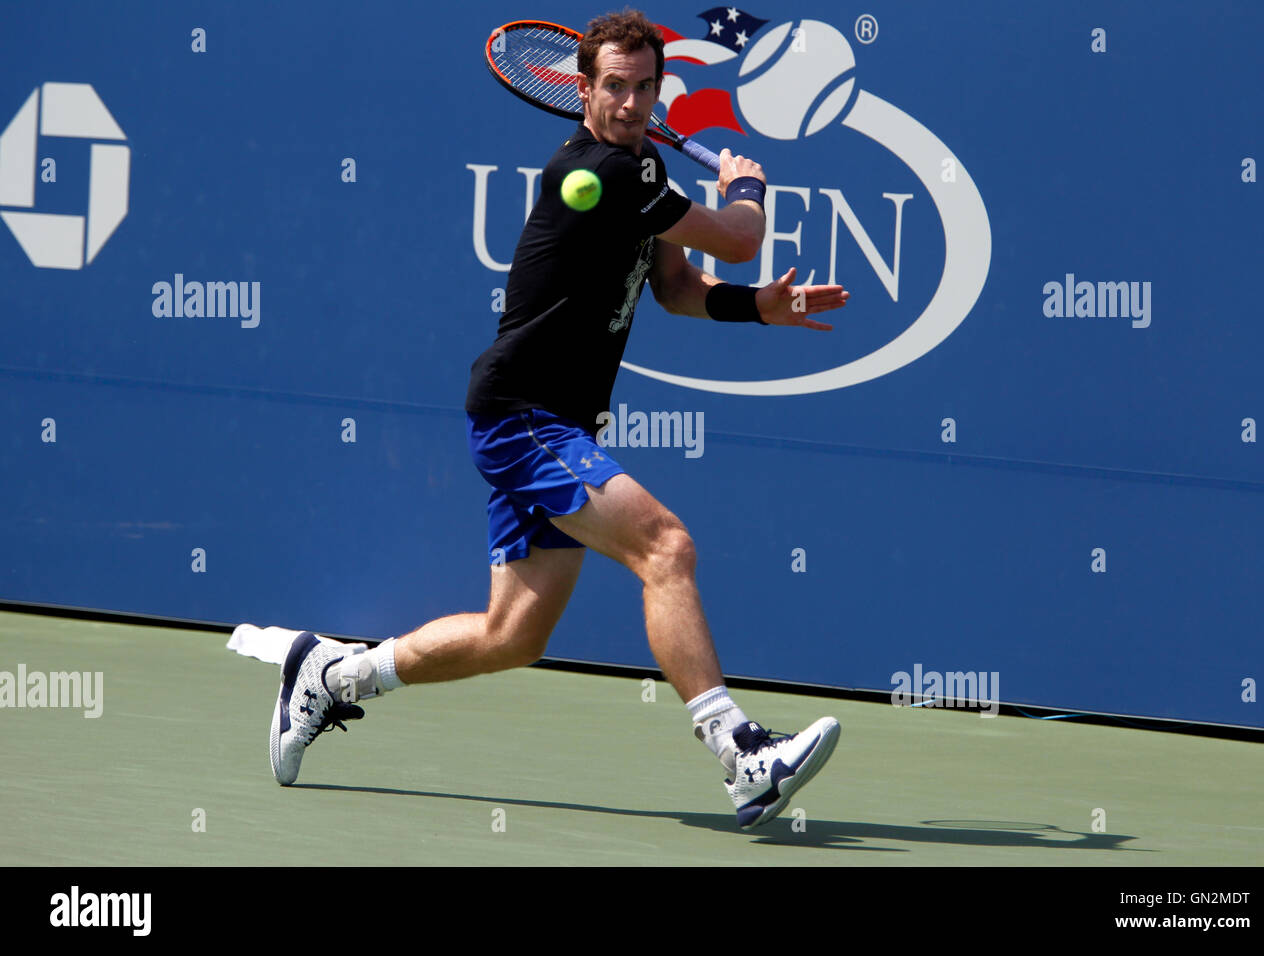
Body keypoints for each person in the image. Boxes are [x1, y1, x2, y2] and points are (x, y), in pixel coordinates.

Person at [266, 9, 851, 830]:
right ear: (582, 88)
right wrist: (748, 189)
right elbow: (740, 236)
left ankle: (330, 676)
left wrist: (763, 310)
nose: (633, 101)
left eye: (647, 86)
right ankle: (741, 753)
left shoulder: (641, 164)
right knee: (667, 546)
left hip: (551, 420)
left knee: (513, 634)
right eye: (616, 86)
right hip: (523, 414)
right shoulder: (608, 171)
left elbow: (679, 289)